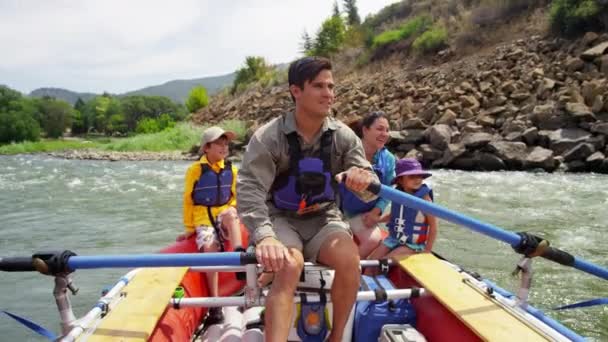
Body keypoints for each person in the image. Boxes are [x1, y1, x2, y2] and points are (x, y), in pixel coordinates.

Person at [237, 56, 378, 342]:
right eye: (319, 86)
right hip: (281, 217)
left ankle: (336, 338)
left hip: (324, 218)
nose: (329, 93)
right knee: (289, 265)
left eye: (331, 86)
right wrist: (264, 237)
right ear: (296, 91)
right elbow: (250, 189)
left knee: (351, 260)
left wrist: (364, 179)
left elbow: (370, 186)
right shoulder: (269, 137)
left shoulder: (344, 137)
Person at [179, 126, 244, 325]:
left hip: (223, 215)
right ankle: (215, 306)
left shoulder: (231, 169)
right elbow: (188, 200)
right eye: (219, 143)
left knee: (232, 214)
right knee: (210, 249)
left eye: (226, 144)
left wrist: (232, 208)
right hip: (203, 218)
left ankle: (240, 256)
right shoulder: (195, 170)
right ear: (206, 147)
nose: (224, 147)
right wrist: (189, 229)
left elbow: (235, 197)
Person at [340, 111, 396, 258]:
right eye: (380, 129)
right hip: (336, 212)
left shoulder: (388, 159)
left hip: (362, 215)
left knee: (373, 240)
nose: (384, 134)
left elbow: (388, 190)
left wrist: (375, 213)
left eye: (387, 130)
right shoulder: (346, 151)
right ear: (365, 130)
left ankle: (350, 269)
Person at [367, 158, 438, 265]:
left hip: (412, 245)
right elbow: (395, 215)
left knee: (383, 262)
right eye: (412, 176)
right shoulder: (398, 194)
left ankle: (379, 275)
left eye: (419, 176)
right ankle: (365, 278)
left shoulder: (424, 197)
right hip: (394, 239)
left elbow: (434, 225)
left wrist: (427, 250)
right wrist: (377, 219)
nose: (417, 179)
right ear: (400, 180)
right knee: (372, 260)